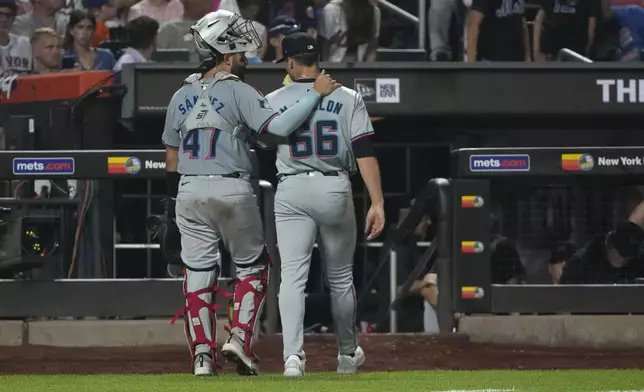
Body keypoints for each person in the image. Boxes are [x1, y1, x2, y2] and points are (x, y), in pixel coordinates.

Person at [161, 10, 340, 377]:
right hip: (231, 187)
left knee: (197, 273)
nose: (245, 58)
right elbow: (277, 129)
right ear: (226, 55)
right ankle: (239, 340)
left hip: (187, 190)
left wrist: (171, 207)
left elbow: (170, 157)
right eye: (240, 53)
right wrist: (314, 96)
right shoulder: (239, 90)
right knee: (253, 267)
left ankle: (201, 358)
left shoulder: (180, 93)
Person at [265, 32, 385, 376]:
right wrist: (377, 201)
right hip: (334, 187)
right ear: (317, 58)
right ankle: (347, 353)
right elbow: (364, 152)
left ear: (289, 62)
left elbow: (261, 142)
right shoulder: (348, 97)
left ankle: (293, 357)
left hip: (291, 189)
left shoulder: (273, 98)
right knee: (341, 278)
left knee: (292, 278)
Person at [555, 201, 644, 284]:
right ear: (612, 248)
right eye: (624, 256)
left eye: (630, 257)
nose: (626, 261)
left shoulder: (636, 263)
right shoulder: (579, 265)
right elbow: (564, 297)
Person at [533, 0, 601, 61]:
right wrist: (537, 52)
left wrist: (536, 51)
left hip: (574, 50)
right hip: (551, 50)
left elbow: (592, 26)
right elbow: (539, 20)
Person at [466, 0, 531, 61]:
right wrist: (471, 66)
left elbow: (522, 22)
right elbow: (473, 26)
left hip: (517, 60)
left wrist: (527, 56)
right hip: (490, 61)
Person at [0, 0, 32, 77]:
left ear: (13, 19)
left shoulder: (24, 43)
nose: (4, 19)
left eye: (8, 16)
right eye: (0, 14)